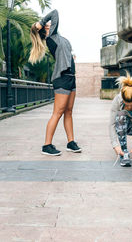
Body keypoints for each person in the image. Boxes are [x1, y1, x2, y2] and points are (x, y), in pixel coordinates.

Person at [29, 9, 81, 156]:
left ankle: (71, 142)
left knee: (69, 111)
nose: (48, 24)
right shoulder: (50, 36)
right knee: (57, 113)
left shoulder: (57, 36)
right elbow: (55, 13)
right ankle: (47, 145)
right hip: (62, 78)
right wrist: (41, 22)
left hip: (71, 77)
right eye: (44, 25)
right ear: (42, 29)